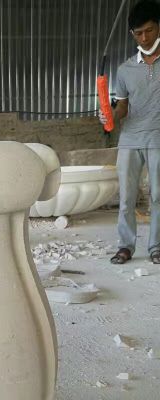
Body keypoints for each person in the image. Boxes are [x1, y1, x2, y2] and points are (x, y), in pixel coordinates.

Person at [101, 0, 160, 264]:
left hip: (158, 138)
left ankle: (156, 247)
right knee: (126, 197)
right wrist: (110, 115)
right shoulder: (125, 69)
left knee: (158, 195)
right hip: (130, 138)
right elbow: (122, 107)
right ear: (132, 34)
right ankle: (125, 246)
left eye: (149, 30)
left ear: (159, 27)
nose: (144, 38)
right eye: (138, 33)